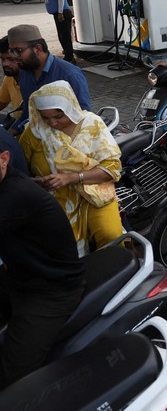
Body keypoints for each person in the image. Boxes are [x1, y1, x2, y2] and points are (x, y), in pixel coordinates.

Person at [0, 137, 85, 388]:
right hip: (18, 277)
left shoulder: (16, 195)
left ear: (4, 159)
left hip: (51, 291)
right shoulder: (10, 181)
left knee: (12, 380)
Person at [19, 81, 124, 257]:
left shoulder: (93, 124)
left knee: (110, 235)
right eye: (45, 117)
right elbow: (20, 170)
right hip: (53, 199)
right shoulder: (34, 132)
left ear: (70, 107)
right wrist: (36, 183)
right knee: (58, 244)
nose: (52, 123)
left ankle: (116, 271)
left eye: (58, 116)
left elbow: (112, 169)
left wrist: (71, 178)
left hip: (95, 194)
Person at [7, 24, 90, 136]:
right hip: (38, 139)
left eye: (18, 51)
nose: (14, 57)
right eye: (12, 51)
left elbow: (84, 116)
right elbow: (29, 112)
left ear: (37, 48)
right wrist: (8, 135)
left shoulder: (70, 74)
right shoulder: (25, 72)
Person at [32, 0, 74, 64]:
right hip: (58, 13)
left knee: (65, 36)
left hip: (62, 13)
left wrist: (60, 13)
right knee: (62, 35)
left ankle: (69, 57)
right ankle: (68, 54)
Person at [0, 37, 23, 124]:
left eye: (11, 59)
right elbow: (1, 102)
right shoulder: (10, 78)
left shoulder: (37, 81)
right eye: (2, 59)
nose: (5, 64)